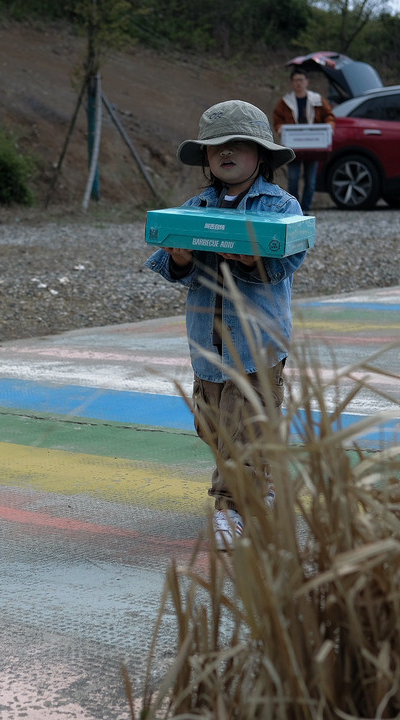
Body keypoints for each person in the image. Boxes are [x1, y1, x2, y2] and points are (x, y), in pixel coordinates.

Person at [145, 100, 306, 550]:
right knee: (214, 427)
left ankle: (230, 509)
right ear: (206, 160)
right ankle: (263, 486)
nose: (226, 152)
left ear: (262, 155)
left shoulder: (279, 205)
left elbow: (290, 254)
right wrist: (180, 259)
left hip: (256, 343)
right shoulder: (196, 207)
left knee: (248, 424)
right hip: (207, 343)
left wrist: (253, 259)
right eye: (216, 146)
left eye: (239, 144)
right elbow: (171, 262)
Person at [271, 69, 335, 214]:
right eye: (296, 80)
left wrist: (329, 126)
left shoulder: (317, 100)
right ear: (292, 83)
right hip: (294, 147)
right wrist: (280, 128)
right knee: (293, 179)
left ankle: (306, 208)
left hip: (314, 146)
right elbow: (277, 119)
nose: (298, 83)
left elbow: (329, 116)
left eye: (301, 80)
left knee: (311, 181)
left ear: (307, 82)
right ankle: (294, 209)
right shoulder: (285, 102)